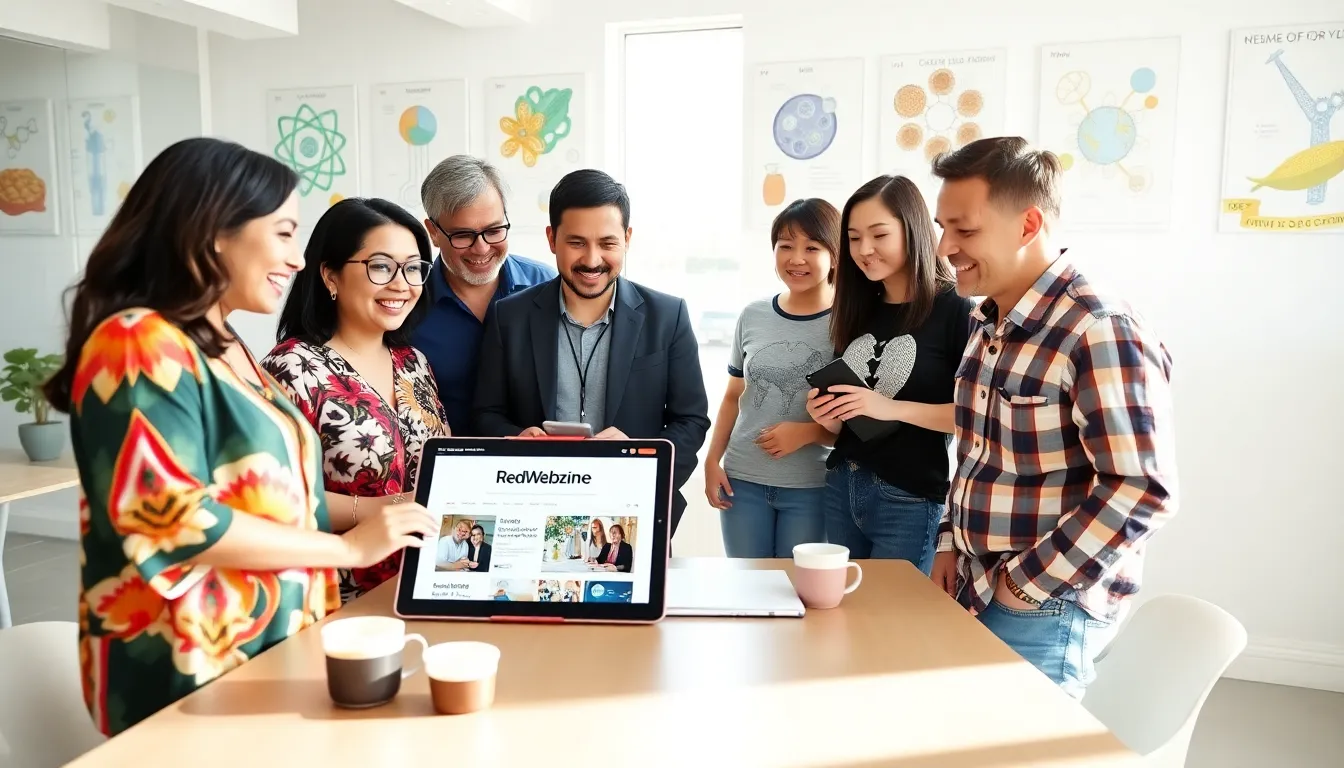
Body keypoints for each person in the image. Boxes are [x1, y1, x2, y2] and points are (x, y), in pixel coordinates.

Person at [43, 137, 438, 737]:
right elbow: (169, 519)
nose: (298, 259)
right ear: (213, 230)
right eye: (283, 233)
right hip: (192, 663)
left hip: (272, 652)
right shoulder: (137, 340)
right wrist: (349, 549)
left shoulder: (227, 346)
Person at [927, 137, 1177, 697]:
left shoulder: (1100, 328)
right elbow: (975, 453)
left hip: (1044, 605)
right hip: (975, 585)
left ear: (1027, 224)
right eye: (943, 227)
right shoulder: (986, 320)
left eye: (964, 231)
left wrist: (1024, 587)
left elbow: (1142, 490)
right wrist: (949, 543)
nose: (945, 247)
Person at [473, 169, 710, 536]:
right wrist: (518, 439)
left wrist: (639, 455)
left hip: (635, 507)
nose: (592, 259)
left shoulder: (668, 315)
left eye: (608, 243)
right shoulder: (509, 316)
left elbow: (691, 421)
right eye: (577, 242)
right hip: (534, 507)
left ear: (628, 239)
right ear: (552, 239)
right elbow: (486, 413)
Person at [263, 197, 449, 602]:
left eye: (414, 268)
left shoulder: (415, 364)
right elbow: (276, 500)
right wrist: (382, 507)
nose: (401, 284)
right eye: (381, 266)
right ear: (330, 275)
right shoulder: (291, 368)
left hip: (430, 586)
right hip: (341, 598)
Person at [804, 176, 975, 575]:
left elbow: (974, 414)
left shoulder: (956, 309)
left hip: (909, 495)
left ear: (913, 230)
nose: (864, 250)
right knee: (844, 618)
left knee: (892, 625)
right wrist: (827, 415)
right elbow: (840, 427)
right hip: (842, 484)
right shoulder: (856, 307)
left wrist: (889, 407)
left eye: (879, 235)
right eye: (853, 238)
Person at [704, 199, 839, 557]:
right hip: (742, 480)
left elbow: (856, 418)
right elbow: (735, 395)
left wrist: (809, 432)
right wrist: (712, 461)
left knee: (799, 594)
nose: (796, 258)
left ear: (835, 256)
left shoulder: (847, 324)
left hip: (811, 484)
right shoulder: (753, 315)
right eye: (786, 246)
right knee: (749, 592)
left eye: (812, 247)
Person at [412, 155, 556, 435]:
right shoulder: (409, 300)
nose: (481, 248)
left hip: (538, 468)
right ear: (433, 232)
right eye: (463, 235)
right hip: (446, 468)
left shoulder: (546, 284)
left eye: (494, 230)